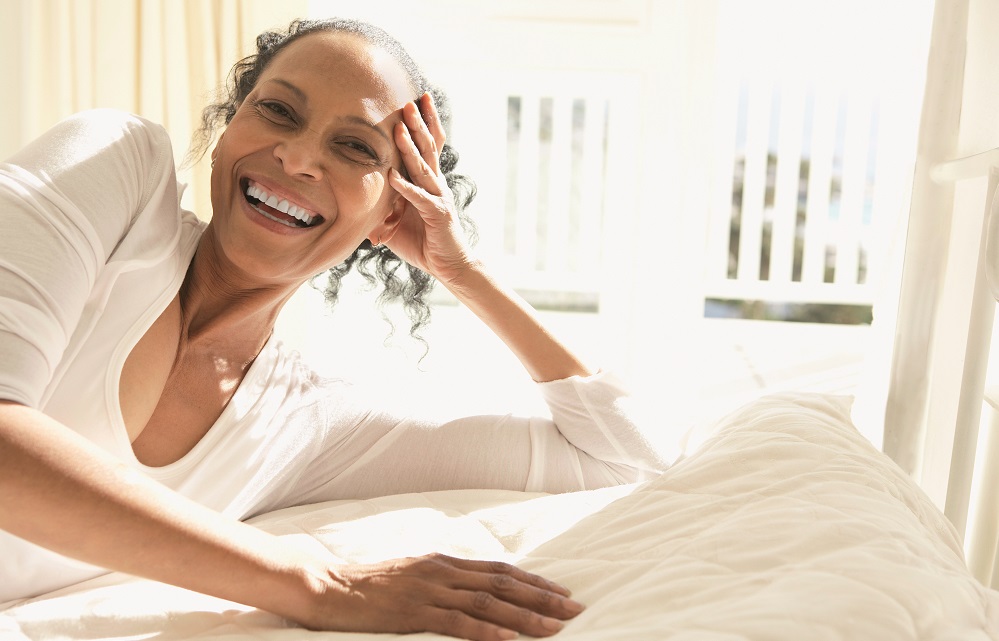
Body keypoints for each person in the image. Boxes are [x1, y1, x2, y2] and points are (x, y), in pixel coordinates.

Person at [0, 17, 667, 641]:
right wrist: (319, 583)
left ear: (392, 210)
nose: (297, 157)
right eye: (278, 111)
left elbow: (622, 459)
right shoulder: (116, 168)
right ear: (229, 130)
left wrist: (463, 272)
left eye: (354, 147)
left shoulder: (312, 425)